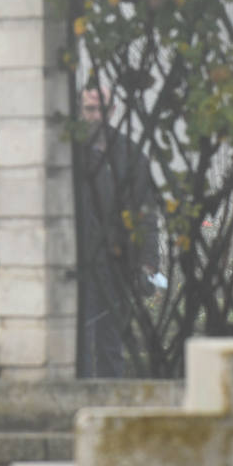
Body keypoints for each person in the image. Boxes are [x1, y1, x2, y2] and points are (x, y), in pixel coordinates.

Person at [76, 86, 158, 378]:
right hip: (76, 265)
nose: (95, 116)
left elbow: (146, 216)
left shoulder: (131, 156)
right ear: (80, 110)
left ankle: (110, 406)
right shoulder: (66, 156)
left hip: (116, 265)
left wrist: (148, 266)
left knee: (112, 345)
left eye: (101, 110)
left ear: (112, 112)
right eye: (89, 109)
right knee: (77, 345)